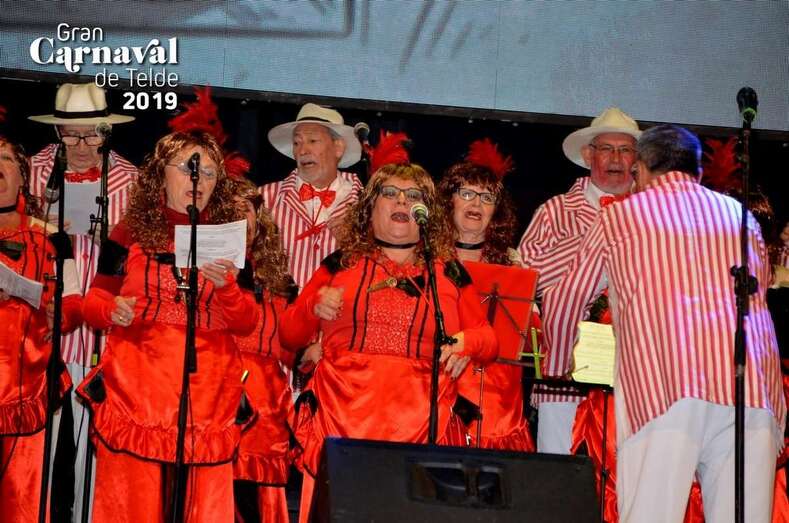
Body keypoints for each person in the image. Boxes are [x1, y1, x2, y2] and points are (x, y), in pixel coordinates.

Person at [543, 125, 785, 522]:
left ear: (639, 168)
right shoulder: (742, 217)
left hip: (665, 388)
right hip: (752, 392)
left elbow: (567, 297)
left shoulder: (619, 217)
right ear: (698, 172)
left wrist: (557, 368)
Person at [278, 160, 497, 520]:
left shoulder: (448, 270)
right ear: (370, 206)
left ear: (427, 213)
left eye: (414, 196)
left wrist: (467, 342)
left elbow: (489, 340)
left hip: (422, 423)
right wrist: (313, 307)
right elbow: (288, 335)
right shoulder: (340, 263)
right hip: (342, 420)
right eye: (390, 193)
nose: (402, 202)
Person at [76, 132, 258, 522]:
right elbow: (93, 301)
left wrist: (227, 287)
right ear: (162, 175)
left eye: (209, 172)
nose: (199, 179)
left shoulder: (228, 236)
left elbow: (247, 322)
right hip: (137, 387)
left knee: (201, 505)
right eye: (190, 168)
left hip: (207, 392)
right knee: (132, 502)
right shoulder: (129, 231)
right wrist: (112, 309)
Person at [28, 82, 137, 518]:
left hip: (102, 327)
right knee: (38, 439)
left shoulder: (130, 179)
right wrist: (44, 227)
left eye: (91, 135)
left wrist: (110, 237)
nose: (81, 146)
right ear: (56, 131)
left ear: (106, 132)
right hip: (44, 322)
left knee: (94, 442)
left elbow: (144, 255)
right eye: (71, 135)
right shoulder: (34, 170)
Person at [518, 107, 641, 454]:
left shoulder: (656, 214)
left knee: (631, 473)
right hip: (563, 368)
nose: (615, 158)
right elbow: (527, 277)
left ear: (637, 159)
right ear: (588, 155)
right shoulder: (555, 211)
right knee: (558, 471)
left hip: (638, 373)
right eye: (606, 149)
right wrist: (595, 239)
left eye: (625, 150)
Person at [0, 134, 82, 522]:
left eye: (5, 159)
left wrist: (59, 314)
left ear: (23, 176)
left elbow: (75, 302)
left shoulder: (51, 237)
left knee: (24, 496)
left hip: (29, 384)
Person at [437, 139, 535, 451]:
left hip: (498, 393)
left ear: (497, 210)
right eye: (467, 193)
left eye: (487, 197)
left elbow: (529, 336)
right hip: (443, 380)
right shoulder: (430, 258)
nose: (476, 204)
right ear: (449, 201)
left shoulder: (511, 260)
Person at [231, 180, 297, 523]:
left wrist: (311, 350)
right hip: (218, 396)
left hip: (266, 407)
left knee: (254, 507)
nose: (239, 217)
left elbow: (288, 348)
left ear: (259, 218)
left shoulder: (278, 280)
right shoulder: (202, 270)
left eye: (246, 209)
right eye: (230, 209)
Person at [262, 103, 363, 289]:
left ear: (338, 148)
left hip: (338, 306)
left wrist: (354, 242)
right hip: (280, 306)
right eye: (297, 143)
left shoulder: (363, 203)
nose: (302, 150)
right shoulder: (265, 199)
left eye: (313, 141)